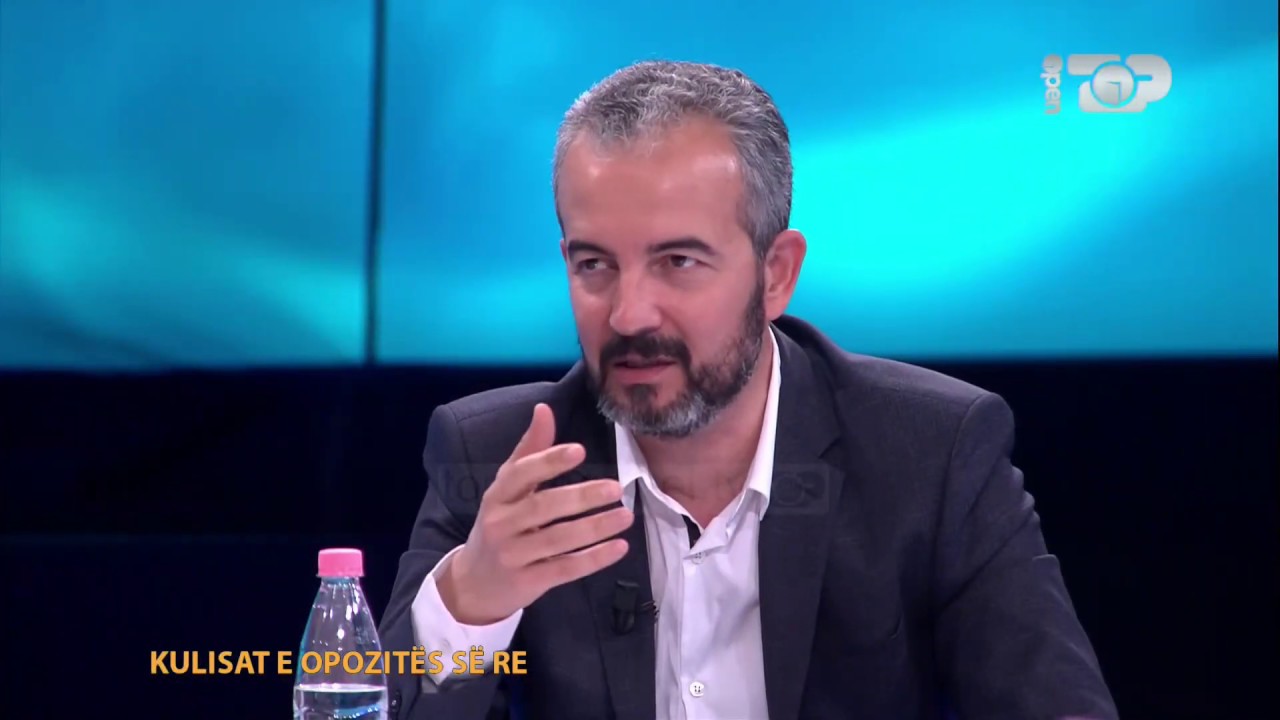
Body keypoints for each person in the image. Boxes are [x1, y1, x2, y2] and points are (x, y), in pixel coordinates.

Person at [378, 60, 1117, 720]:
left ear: (775, 275)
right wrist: (470, 602)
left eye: (677, 262)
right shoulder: (498, 463)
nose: (629, 315)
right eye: (595, 265)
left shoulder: (931, 455)